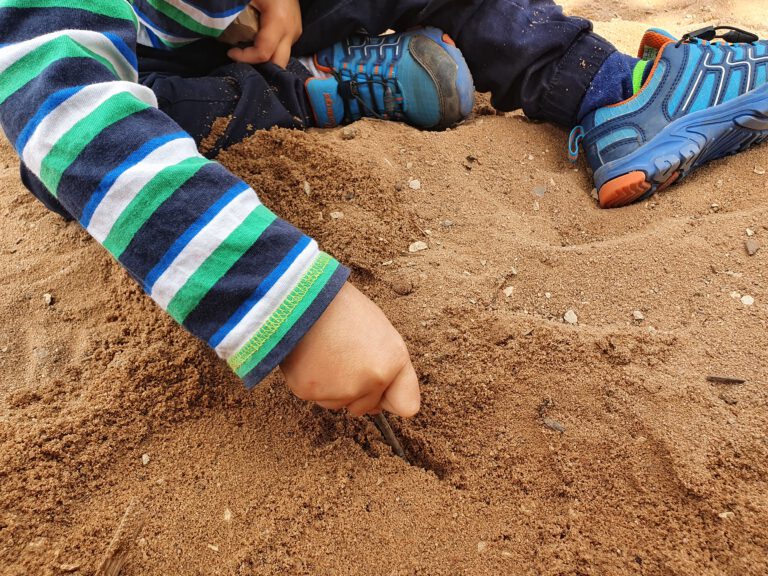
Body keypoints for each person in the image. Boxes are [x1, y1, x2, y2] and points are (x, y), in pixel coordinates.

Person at [0, 1, 766, 420]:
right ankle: (308, 90)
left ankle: (612, 94)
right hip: (164, 70)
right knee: (68, 163)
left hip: (241, 25)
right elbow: (64, 104)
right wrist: (288, 310)